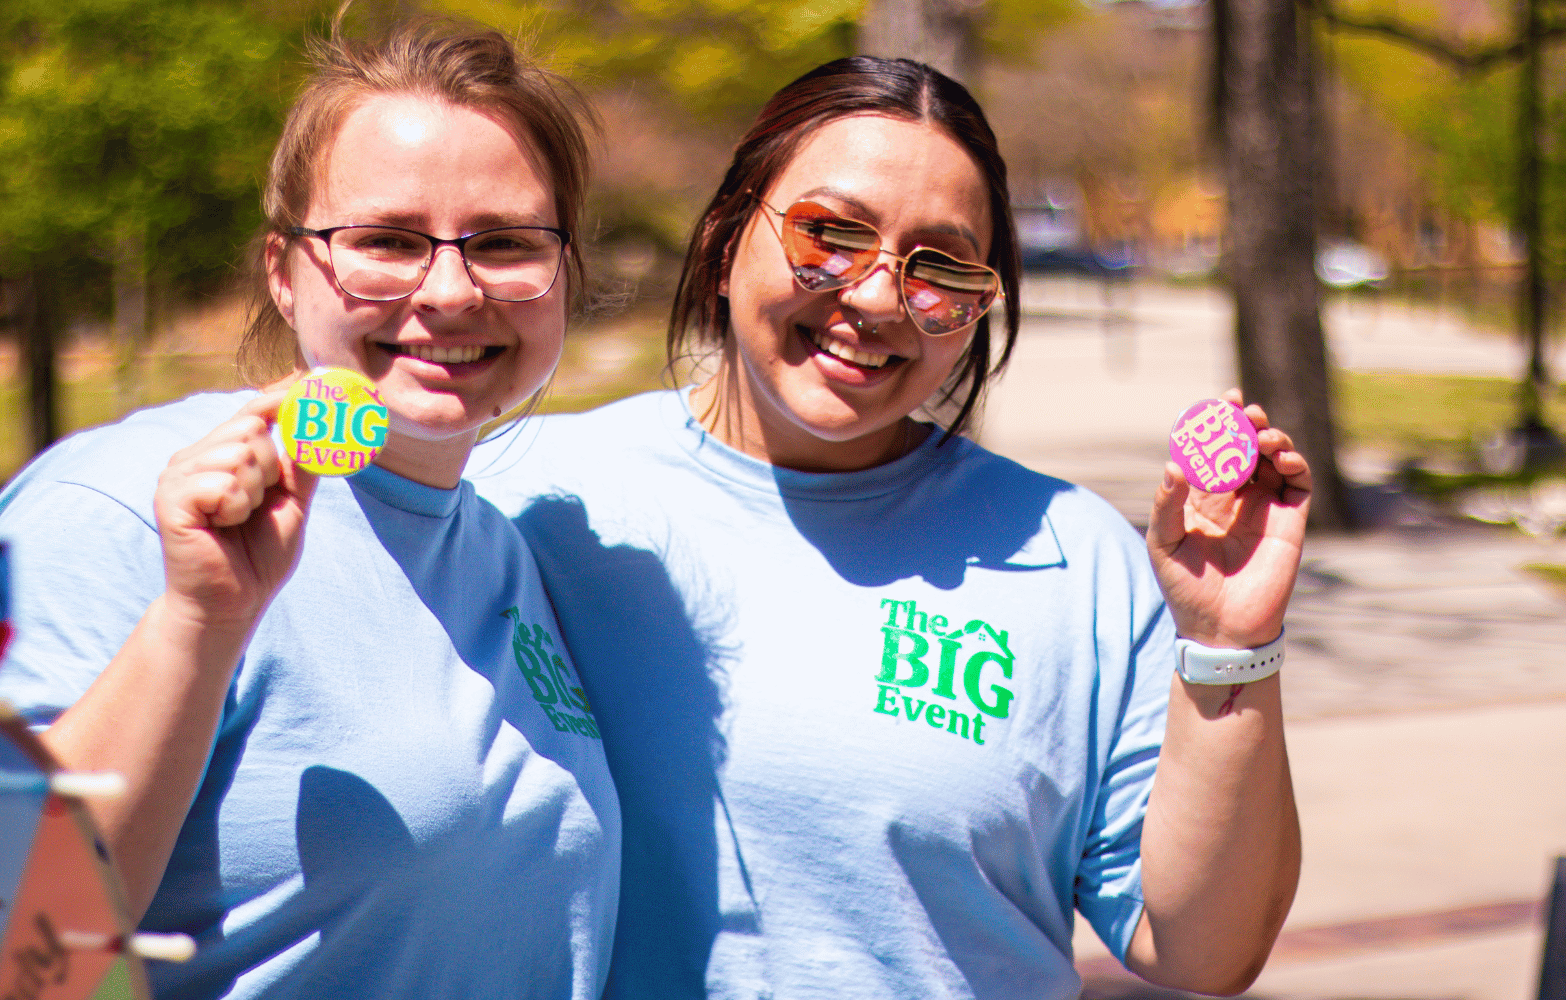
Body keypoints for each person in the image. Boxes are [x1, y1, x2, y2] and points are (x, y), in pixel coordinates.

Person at [471, 56, 1305, 998]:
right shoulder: (526, 497)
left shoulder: (1079, 559)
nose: (874, 301)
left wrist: (1234, 645)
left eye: (941, 268)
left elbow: (1203, 950)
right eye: (829, 234)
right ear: (720, 241)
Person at [0, 20, 619, 1000]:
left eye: (505, 243)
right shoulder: (116, 510)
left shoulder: (494, 542)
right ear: (282, 271)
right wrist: (198, 621)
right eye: (387, 243)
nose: (450, 289)